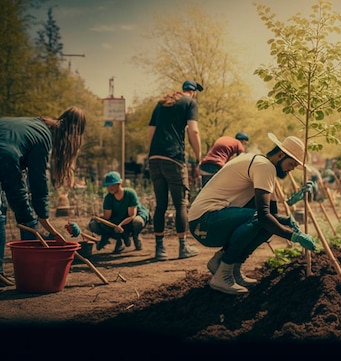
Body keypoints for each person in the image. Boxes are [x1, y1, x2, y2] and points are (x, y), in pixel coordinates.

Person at [188, 133, 317, 295]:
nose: (291, 170)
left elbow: (272, 215)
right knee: (261, 220)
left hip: (209, 221)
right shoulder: (264, 167)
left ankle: (229, 266)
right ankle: (223, 273)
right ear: (281, 155)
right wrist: (294, 237)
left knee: (267, 226)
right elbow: (264, 216)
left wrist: (287, 220)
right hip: (205, 221)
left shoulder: (260, 163)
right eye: (291, 164)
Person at [0, 106, 86, 242]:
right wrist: (43, 217)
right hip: (4, 157)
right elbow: (38, 181)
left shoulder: (34, 125)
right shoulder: (43, 136)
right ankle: (31, 256)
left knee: (3, 208)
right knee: (24, 216)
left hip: (5, 157)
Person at [147, 80, 203, 261]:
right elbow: (193, 131)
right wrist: (199, 155)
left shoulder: (162, 103)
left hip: (155, 158)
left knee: (161, 204)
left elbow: (151, 131)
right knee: (180, 204)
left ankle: (160, 250)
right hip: (174, 158)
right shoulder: (190, 103)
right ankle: (182, 247)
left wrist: (152, 155)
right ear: (193, 92)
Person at [89, 171, 150, 254]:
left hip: (132, 217)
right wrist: (97, 218)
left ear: (120, 184)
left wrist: (120, 225)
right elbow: (107, 217)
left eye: (113, 184)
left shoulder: (130, 193)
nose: (110, 187)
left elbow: (132, 215)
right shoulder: (108, 198)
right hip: (117, 219)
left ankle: (135, 236)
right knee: (94, 224)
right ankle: (117, 239)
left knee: (137, 222)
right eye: (108, 185)